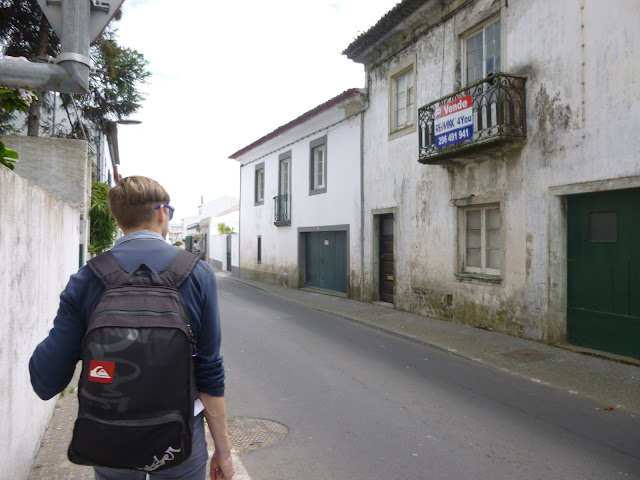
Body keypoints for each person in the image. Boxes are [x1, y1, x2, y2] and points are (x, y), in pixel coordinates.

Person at [29, 176, 235, 480]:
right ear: (162, 213)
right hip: (179, 437)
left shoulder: (87, 277)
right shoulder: (198, 274)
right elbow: (209, 371)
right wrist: (223, 450)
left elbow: (46, 378)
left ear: (117, 218)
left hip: (110, 429)